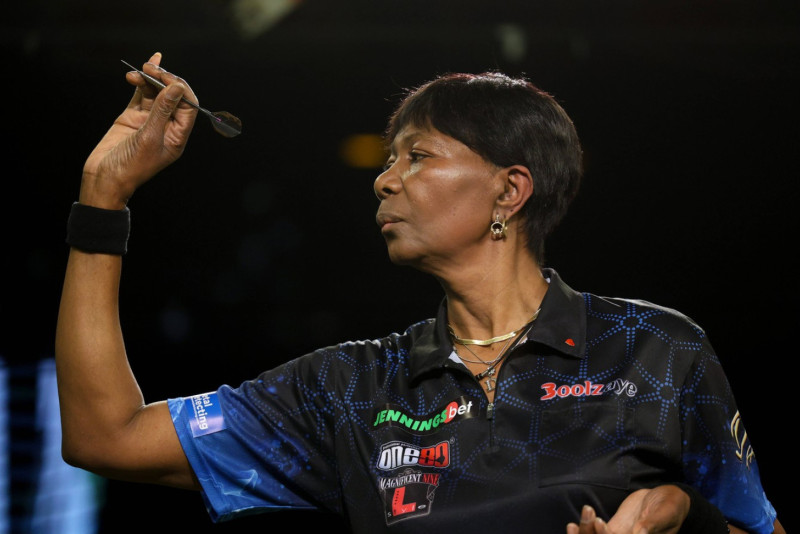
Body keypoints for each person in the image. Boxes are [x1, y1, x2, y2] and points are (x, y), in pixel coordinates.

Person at [55, 52, 784, 534]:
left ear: (510, 190)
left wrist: (686, 518)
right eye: (388, 159)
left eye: (418, 155)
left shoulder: (655, 351)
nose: (384, 179)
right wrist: (103, 198)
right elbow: (104, 436)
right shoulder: (349, 389)